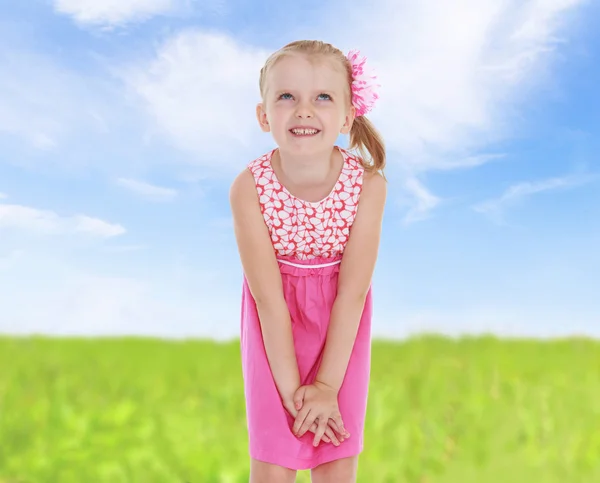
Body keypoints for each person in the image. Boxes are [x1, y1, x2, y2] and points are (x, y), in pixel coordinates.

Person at [230, 39, 387, 483]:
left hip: (341, 331)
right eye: (286, 97)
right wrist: (297, 395)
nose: (304, 110)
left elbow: (353, 293)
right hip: (272, 331)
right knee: (273, 463)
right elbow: (268, 301)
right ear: (264, 116)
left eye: (322, 97)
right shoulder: (249, 187)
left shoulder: (368, 186)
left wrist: (327, 387)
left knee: (336, 460)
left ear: (347, 114)